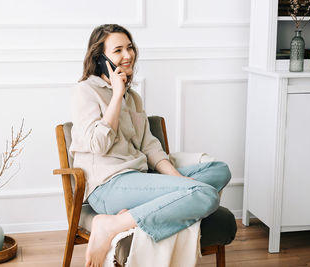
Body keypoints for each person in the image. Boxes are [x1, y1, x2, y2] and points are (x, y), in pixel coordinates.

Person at [70, 24, 231, 267]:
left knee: (220, 169)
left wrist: (178, 180)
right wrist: (115, 94)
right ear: (100, 58)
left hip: (141, 177)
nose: (128, 55)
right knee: (206, 195)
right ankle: (111, 224)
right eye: (118, 51)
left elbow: (150, 146)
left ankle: (148, 211)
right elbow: (99, 145)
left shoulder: (133, 97)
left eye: (130, 47)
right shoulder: (86, 91)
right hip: (109, 187)